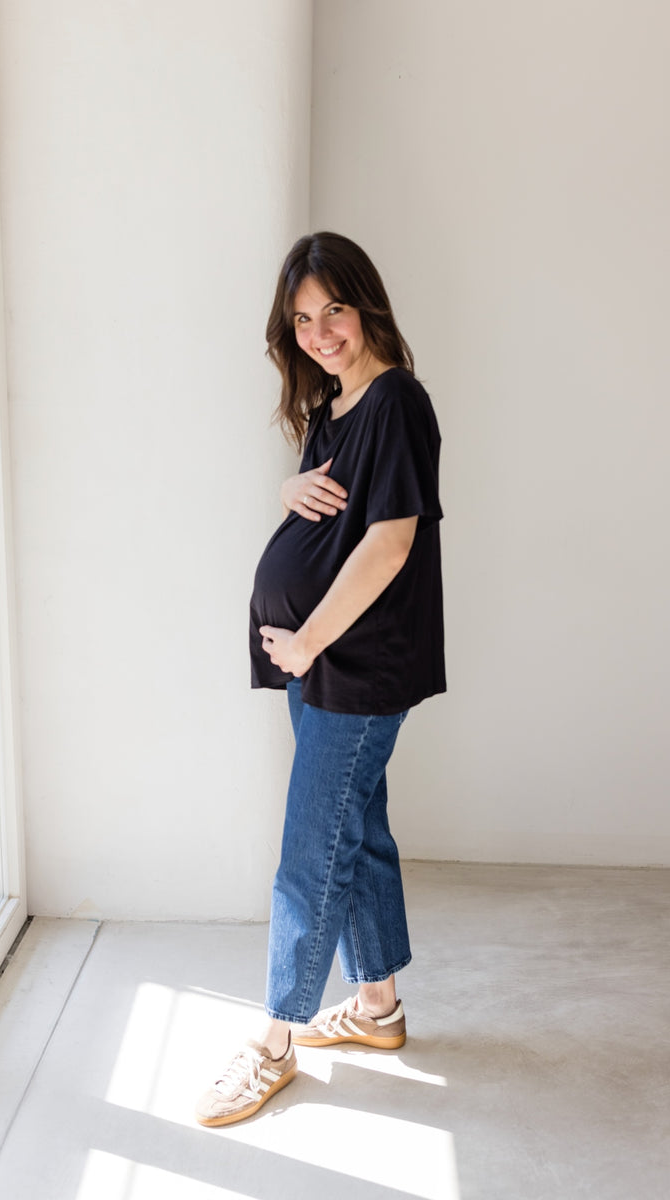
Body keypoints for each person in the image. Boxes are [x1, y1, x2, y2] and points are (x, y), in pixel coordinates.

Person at [196, 231, 445, 1127]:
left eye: (332, 309)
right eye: (301, 319)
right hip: (319, 664)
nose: (320, 330)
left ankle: (272, 1044)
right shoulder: (331, 410)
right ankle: (378, 1011)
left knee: (312, 854)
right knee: (358, 828)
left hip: (357, 664)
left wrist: (305, 645)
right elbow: (332, 517)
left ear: (365, 303)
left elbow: (389, 543)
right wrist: (286, 496)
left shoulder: (397, 402)